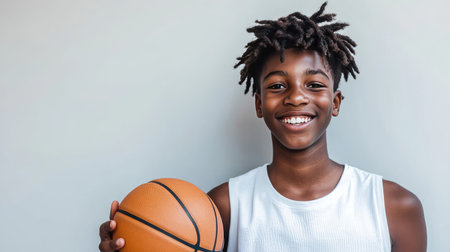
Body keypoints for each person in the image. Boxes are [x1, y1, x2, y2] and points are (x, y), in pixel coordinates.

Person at [98, 2, 427, 251]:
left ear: (336, 102)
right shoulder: (221, 209)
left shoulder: (395, 207)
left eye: (314, 85)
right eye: (276, 86)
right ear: (258, 103)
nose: (296, 98)